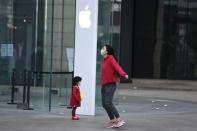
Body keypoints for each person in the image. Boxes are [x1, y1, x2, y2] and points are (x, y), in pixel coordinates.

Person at [100, 45, 129, 128]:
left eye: (103, 48)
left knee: (108, 102)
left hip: (110, 85)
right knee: (104, 104)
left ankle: (119, 120)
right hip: (104, 85)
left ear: (107, 51)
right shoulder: (105, 60)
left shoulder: (111, 58)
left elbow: (117, 67)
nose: (102, 49)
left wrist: (124, 74)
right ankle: (113, 121)